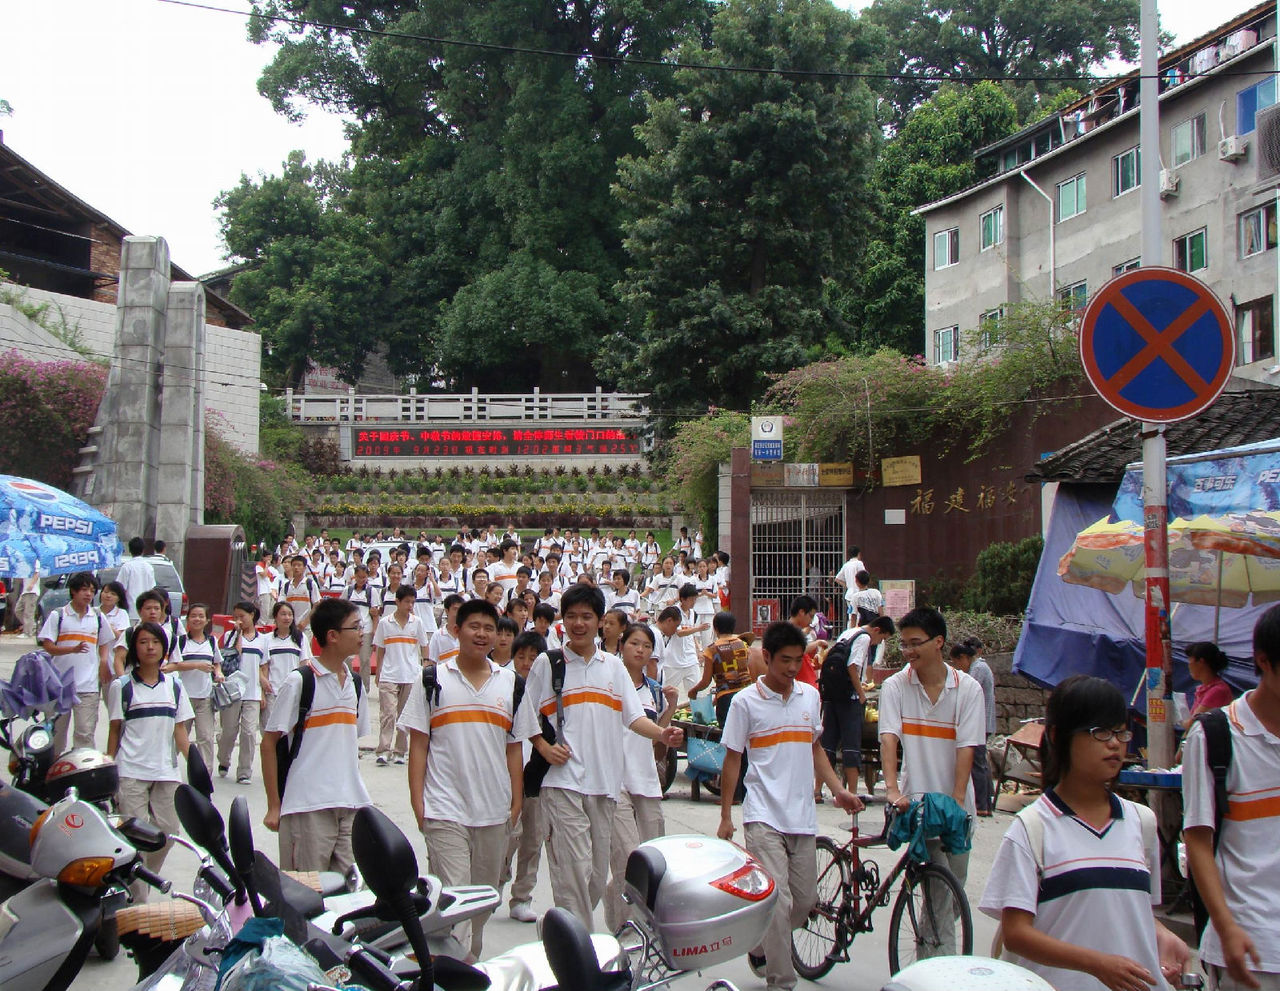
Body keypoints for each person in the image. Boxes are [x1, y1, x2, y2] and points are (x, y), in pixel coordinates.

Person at [981, 675, 1190, 990]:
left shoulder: (1141, 821)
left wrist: (1162, 936)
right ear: (1057, 736)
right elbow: (1016, 934)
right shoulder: (1032, 827)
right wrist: (1097, 964)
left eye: (1120, 732)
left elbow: (1130, 911)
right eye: (1099, 732)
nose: (1114, 743)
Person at [524, 583, 683, 928]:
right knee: (572, 872)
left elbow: (634, 717)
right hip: (562, 782)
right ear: (562, 621)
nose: (578, 623)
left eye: (586, 616)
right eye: (571, 616)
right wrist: (543, 747)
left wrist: (661, 733)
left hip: (605, 785)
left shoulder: (613, 667)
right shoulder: (548, 663)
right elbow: (524, 716)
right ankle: (578, 950)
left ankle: (559, 930)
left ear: (600, 622)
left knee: (596, 876)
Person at [717, 620, 863, 991]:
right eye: (785, 660)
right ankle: (781, 982)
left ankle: (761, 946)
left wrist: (838, 790)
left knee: (804, 901)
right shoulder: (745, 703)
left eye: (799, 660)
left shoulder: (809, 697)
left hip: (801, 816)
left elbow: (816, 749)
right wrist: (726, 816)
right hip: (763, 814)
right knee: (778, 900)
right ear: (766, 657)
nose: (793, 667)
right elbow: (732, 759)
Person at [399, 599, 536, 960]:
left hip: (493, 811)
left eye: (489, 628)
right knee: (455, 898)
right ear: (456, 630)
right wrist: (418, 801)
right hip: (444, 808)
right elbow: (419, 745)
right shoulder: (432, 680)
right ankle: (455, 973)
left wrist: (516, 803)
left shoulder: (511, 684)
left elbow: (514, 748)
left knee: (481, 902)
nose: (482, 634)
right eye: (474, 626)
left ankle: (461, 965)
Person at [1184, 605, 1280, 991]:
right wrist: (1225, 927)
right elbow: (1197, 840)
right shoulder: (1214, 737)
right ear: (1264, 662)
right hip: (1253, 947)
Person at [878, 607, 985, 892]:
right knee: (938, 897)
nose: (908, 651)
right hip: (919, 806)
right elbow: (888, 738)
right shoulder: (895, 686)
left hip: (956, 809)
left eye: (915, 643)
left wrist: (957, 801)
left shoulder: (968, 689)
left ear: (938, 642)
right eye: (904, 644)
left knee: (955, 891)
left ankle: (933, 926)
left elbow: (966, 747)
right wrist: (892, 790)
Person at [261, 598, 371, 873]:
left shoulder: (355, 684)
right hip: (307, 806)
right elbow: (269, 743)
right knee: (308, 889)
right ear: (332, 636)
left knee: (351, 888)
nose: (362, 633)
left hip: (350, 803)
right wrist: (274, 805)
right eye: (355, 627)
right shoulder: (300, 682)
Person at [106, 620, 193, 901]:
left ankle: (143, 876)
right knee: (134, 836)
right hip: (130, 770)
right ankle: (138, 902)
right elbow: (115, 730)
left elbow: (180, 730)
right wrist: (109, 767)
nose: (150, 647)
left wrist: (195, 765)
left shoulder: (175, 686)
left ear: (164, 648)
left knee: (168, 831)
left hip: (166, 771)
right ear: (134, 649)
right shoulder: (121, 686)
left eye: (155, 642)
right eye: (143, 642)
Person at [604, 623, 678, 931]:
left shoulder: (655, 691)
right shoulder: (607, 682)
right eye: (635, 643)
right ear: (622, 645)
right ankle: (626, 929)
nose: (640, 650)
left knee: (652, 859)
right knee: (626, 857)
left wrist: (670, 709)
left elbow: (658, 745)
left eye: (647, 646)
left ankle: (628, 912)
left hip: (646, 780)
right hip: (614, 781)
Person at [38, 571, 114, 753]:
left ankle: (82, 767)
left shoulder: (97, 617)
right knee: (55, 734)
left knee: (85, 734)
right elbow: (48, 646)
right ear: (73, 591)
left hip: (88, 686)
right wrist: (71, 649)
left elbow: (104, 641)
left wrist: (103, 661)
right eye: (84, 589)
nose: (88, 594)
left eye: (92, 590)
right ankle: (53, 766)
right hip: (59, 686)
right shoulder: (59, 615)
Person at [502, 630, 549, 923]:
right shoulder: (503, 687)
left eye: (533, 658)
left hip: (537, 777)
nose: (527, 663)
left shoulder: (550, 691)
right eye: (521, 657)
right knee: (506, 838)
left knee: (532, 839)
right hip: (507, 777)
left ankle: (522, 897)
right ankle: (494, 885)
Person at [821, 615, 895, 792]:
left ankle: (818, 790)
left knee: (828, 744)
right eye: (882, 638)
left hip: (832, 694)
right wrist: (861, 694)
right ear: (877, 630)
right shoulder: (864, 638)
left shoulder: (848, 632)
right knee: (851, 747)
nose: (878, 643)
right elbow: (852, 666)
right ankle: (852, 792)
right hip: (849, 698)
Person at [372, 584, 430, 766]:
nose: (410, 606)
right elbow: (380, 649)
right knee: (388, 713)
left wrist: (425, 664)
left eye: (412, 602)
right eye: (407, 602)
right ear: (397, 602)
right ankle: (383, 750)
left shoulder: (417, 622)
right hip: (389, 674)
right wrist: (379, 671)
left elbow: (424, 645)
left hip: (411, 674)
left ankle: (400, 751)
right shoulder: (385, 623)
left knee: (405, 716)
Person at [218, 601, 268, 784]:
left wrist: (262, 692)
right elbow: (232, 655)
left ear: (252, 615)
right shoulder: (229, 636)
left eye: (242, 616)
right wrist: (237, 633)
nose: (239, 620)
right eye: (236, 617)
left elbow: (264, 666)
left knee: (248, 733)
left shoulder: (263, 640)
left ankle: (244, 771)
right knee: (229, 731)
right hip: (233, 691)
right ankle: (224, 759)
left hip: (252, 692)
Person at [170, 602, 222, 772]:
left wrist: (218, 673)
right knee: (178, 737)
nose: (197, 619)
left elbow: (217, 663)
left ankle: (205, 774)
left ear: (207, 620)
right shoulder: (180, 642)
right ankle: (169, 768)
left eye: (201, 616)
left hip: (205, 697)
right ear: (187, 620)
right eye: (193, 616)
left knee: (206, 737)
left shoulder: (212, 641)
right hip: (183, 697)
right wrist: (196, 665)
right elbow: (172, 665)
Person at [949, 639, 997, 815]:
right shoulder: (979, 667)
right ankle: (986, 803)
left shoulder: (978, 669)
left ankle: (982, 805)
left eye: (957, 662)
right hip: (981, 721)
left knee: (976, 763)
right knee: (981, 762)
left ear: (963, 657)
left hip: (979, 722)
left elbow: (966, 691)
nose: (958, 667)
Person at [264, 602, 311, 725]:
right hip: (272, 692)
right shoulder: (267, 639)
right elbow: (264, 665)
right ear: (275, 616)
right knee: (271, 728)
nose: (287, 618)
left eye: (290, 614)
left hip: (293, 691)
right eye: (283, 614)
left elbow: (305, 664)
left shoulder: (300, 638)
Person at [1179, 641, 1235, 730]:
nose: (1189, 665)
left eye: (1190, 660)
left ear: (1201, 662)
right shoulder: (1204, 689)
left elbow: (1191, 724)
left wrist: (1177, 719)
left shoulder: (1217, 691)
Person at [116, 536, 156, 623]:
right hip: (146, 612)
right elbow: (152, 589)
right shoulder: (149, 567)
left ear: (130, 550)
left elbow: (120, 589)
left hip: (130, 612)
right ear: (143, 550)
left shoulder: (127, 567)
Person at [832, 546, 864, 629]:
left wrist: (848, 586)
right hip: (858, 592)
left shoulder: (846, 565)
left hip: (849, 594)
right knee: (859, 615)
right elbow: (863, 576)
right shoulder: (859, 563)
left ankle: (849, 632)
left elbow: (837, 579)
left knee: (851, 615)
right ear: (859, 554)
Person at [17, 565, 40, 639]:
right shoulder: (24, 563)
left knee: (28, 613)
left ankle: (27, 633)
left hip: (32, 591)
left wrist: (32, 584)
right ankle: (32, 625)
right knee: (18, 610)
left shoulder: (35, 562)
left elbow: (37, 573)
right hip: (24, 591)